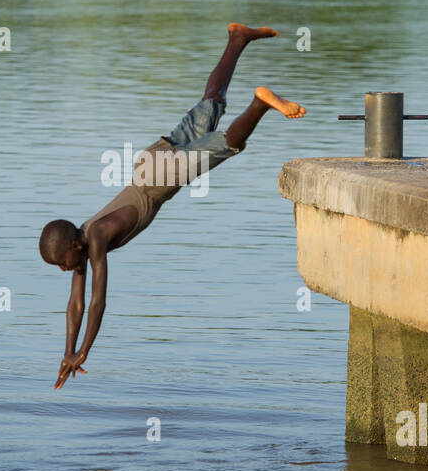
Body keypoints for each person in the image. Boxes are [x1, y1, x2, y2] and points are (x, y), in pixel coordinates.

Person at [39, 23, 306, 388]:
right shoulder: (82, 239)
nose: (63, 270)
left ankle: (260, 103)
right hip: (152, 159)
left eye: (61, 263)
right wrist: (67, 351)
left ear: (73, 247)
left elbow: (97, 303)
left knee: (228, 144)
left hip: (163, 174)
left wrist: (85, 350)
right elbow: (76, 308)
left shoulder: (96, 238)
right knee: (213, 101)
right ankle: (237, 38)